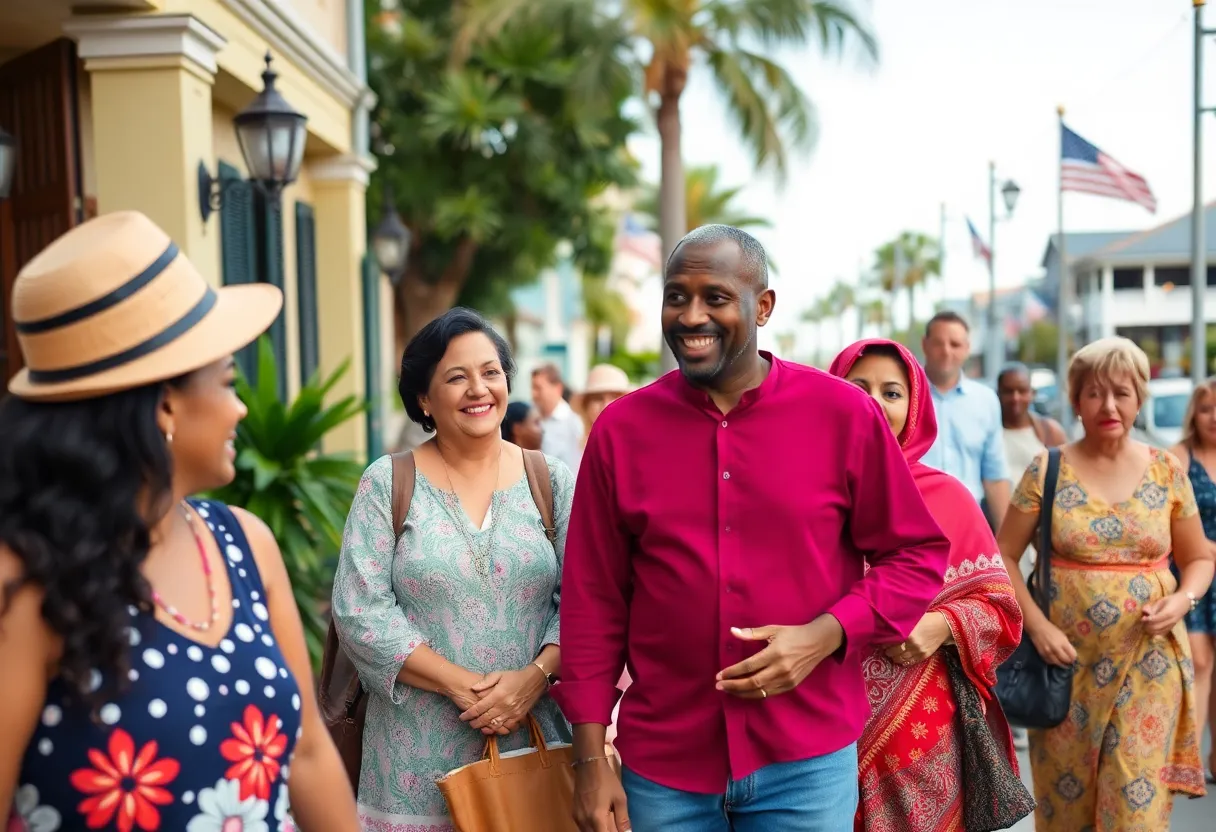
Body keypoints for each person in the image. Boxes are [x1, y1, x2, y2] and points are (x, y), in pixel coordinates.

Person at [555, 225, 951, 832]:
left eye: (714, 298)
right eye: (675, 297)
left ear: (761, 306)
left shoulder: (843, 415)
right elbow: (593, 601)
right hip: (664, 768)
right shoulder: (621, 431)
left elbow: (916, 554)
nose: (691, 316)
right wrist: (589, 759)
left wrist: (827, 633)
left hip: (806, 764)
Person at [0, 211, 358, 831]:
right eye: (226, 382)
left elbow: (305, 753)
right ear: (164, 403)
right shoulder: (26, 581)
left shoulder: (246, 543)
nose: (241, 406)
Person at [331, 307, 574, 831]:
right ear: (423, 398)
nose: (478, 389)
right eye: (456, 377)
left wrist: (533, 679)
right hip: (410, 764)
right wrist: (464, 685)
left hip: (533, 752)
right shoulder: (387, 483)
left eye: (490, 372)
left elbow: (588, 601)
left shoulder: (551, 480)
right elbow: (360, 612)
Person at [997, 336, 1215, 829]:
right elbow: (1003, 555)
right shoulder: (1047, 467)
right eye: (1094, 393)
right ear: (1075, 400)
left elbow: (1199, 557)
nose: (1109, 405)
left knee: (1133, 809)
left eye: (1122, 392)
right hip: (1064, 667)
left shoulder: (1166, 470)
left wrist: (1183, 599)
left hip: (1149, 663)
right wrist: (1037, 628)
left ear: (1140, 398)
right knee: (1067, 810)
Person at [829, 339, 1024, 831]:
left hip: (922, 733)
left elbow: (1002, 608)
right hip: (821, 731)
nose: (875, 401)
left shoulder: (949, 499)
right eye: (859, 387)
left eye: (892, 392)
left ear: (914, 407)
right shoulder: (806, 496)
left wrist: (940, 625)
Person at [995, 360, 1067, 750]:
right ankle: (1010, 702)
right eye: (1009, 390)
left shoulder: (1047, 431)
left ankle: (1025, 700)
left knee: (1029, 616)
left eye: (1023, 390)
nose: (1017, 397)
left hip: (1039, 541)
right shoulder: (992, 431)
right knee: (1006, 618)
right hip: (1000, 536)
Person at [919, 312, 1011, 530]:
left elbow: (995, 475)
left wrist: (1006, 548)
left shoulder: (986, 400)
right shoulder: (904, 397)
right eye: (939, 343)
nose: (946, 351)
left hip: (967, 524)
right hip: (914, 523)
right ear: (924, 345)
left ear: (967, 348)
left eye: (955, 344)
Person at [1169, 377, 1216, 784]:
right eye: (1206, 408)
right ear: (1193, 414)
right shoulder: (1179, 457)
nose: (1214, 417)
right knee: (1199, 661)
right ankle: (1192, 761)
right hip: (1193, 574)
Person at [531, 363, 583, 472]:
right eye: (532, 388)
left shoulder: (574, 423)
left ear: (558, 388)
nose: (534, 394)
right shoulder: (532, 420)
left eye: (538, 388)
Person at [576, 364, 631, 441]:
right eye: (598, 398)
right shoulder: (572, 446)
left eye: (613, 397)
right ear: (586, 405)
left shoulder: (638, 444)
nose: (605, 405)